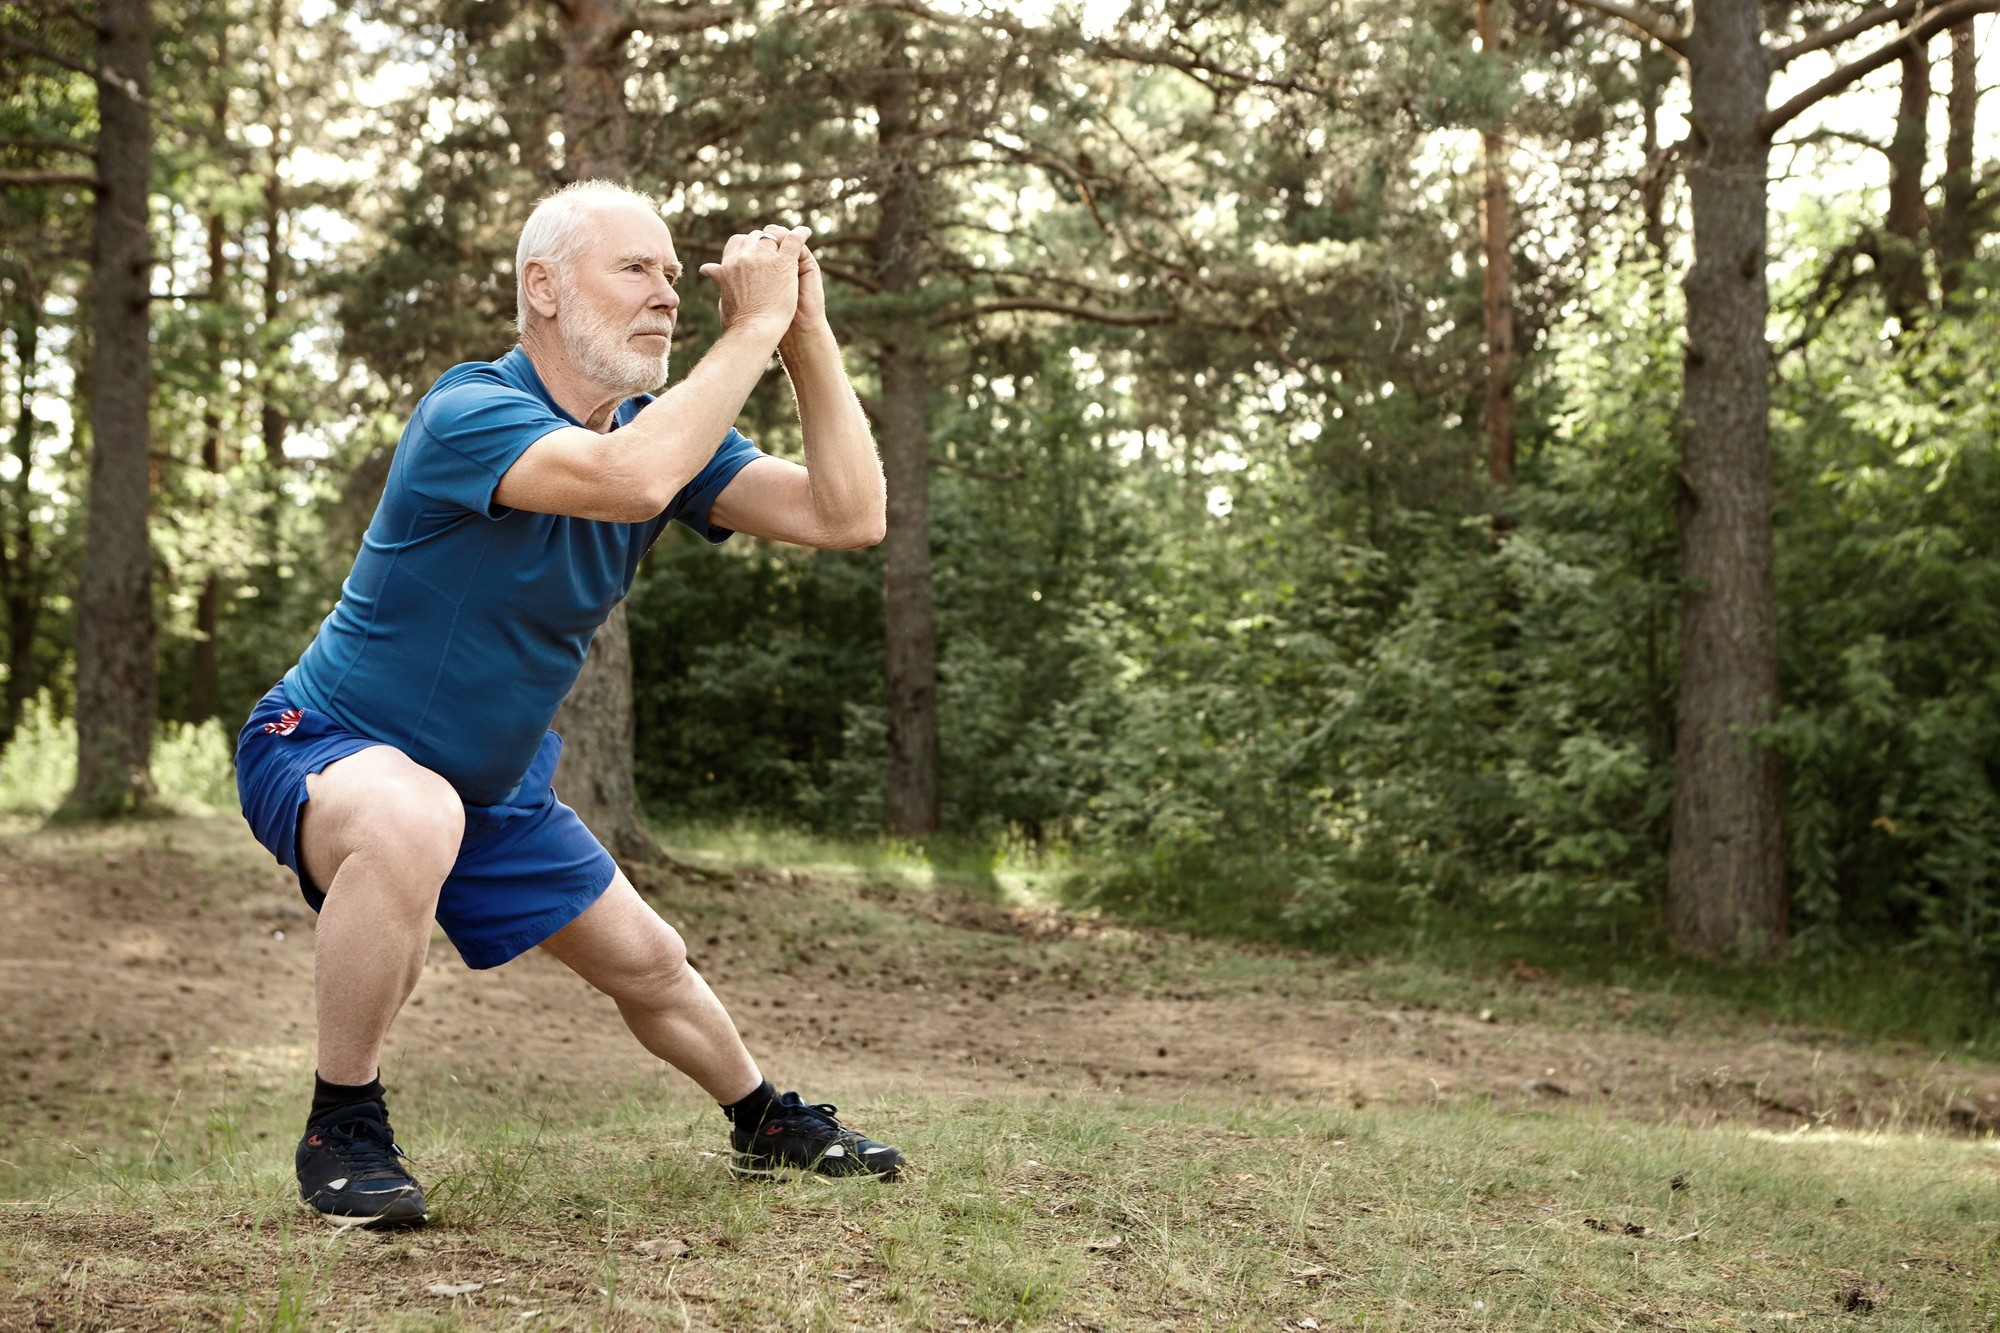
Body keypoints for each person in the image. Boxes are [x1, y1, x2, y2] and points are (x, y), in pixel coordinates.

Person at [234, 180, 902, 1229]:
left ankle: (765, 1122)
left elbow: (849, 512)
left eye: (677, 273)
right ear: (542, 288)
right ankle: (343, 1121)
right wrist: (755, 323)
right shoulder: (471, 411)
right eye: (635, 267)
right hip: (326, 744)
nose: (669, 293)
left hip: (491, 788)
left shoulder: (659, 436)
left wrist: (803, 336)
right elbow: (630, 479)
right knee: (414, 815)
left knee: (651, 963)